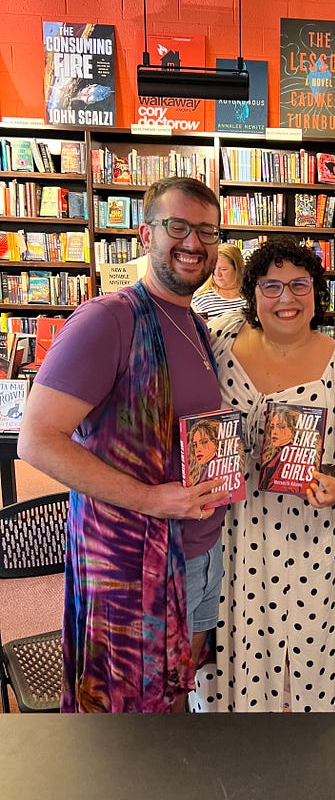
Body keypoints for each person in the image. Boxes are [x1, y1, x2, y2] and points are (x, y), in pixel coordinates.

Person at [17, 176, 228, 712]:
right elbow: (37, 441)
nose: (193, 243)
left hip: (198, 552)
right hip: (130, 557)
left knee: (176, 694)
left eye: (207, 231)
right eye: (177, 226)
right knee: (124, 715)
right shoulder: (108, 320)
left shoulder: (195, 325)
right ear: (144, 234)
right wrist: (151, 498)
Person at [204, 236, 335, 712]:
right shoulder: (218, 345)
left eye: (299, 285)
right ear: (252, 292)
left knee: (311, 651)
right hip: (228, 530)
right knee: (230, 641)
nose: (286, 298)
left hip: (308, 533)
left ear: (316, 292)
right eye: (271, 285)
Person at [192, 242, 247, 318]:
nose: (217, 274)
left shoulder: (253, 296)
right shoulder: (199, 298)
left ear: (237, 269)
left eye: (223, 269)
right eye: (213, 268)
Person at [258, 405, 300, 489]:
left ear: (293, 430)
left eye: (281, 427)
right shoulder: (276, 454)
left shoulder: (293, 456)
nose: (274, 432)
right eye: (272, 427)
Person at [188, 418, 220, 485]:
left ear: (217, 443)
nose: (198, 449)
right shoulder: (200, 470)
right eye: (195, 445)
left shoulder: (222, 467)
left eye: (203, 442)